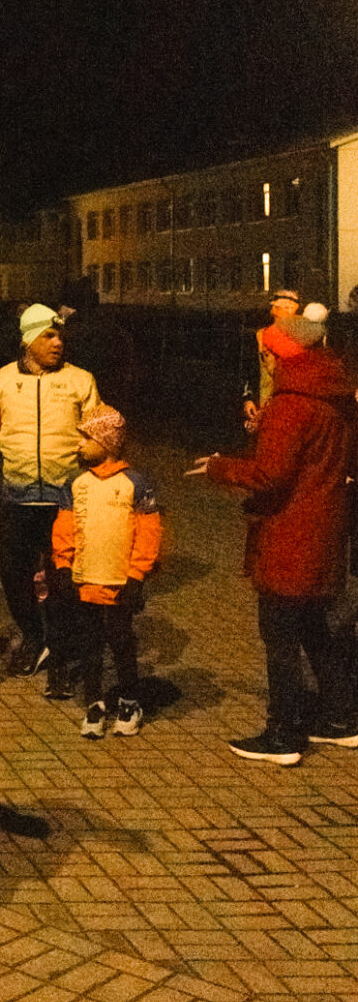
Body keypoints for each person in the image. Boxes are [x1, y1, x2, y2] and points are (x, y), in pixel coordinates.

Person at [192, 310, 358, 764]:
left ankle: (283, 734)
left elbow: (270, 474)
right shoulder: (336, 395)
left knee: (280, 635)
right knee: (314, 628)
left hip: (290, 533)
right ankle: (341, 717)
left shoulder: (291, 403)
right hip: (324, 529)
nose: (263, 361)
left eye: (264, 353)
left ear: (278, 355)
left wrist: (219, 467)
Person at [0, 303, 101, 677]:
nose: (58, 343)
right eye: (49, 336)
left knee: (64, 579)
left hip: (66, 501)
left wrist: (99, 469)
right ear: (28, 340)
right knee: (14, 575)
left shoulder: (81, 380)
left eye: (60, 336)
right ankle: (33, 635)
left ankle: (60, 643)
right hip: (18, 499)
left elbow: (99, 433)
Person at [49, 407, 161, 737]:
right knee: (90, 643)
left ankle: (129, 701)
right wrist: (63, 566)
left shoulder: (135, 483)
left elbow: (149, 532)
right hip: (85, 580)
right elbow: (65, 528)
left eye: (86, 438)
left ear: (107, 442)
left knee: (121, 640)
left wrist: (137, 575)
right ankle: (94, 702)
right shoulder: (75, 483)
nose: (79, 445)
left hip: (118, 582)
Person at [249, 287, 301, 422]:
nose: (274, 312)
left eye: (279, 309)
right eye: (275, 309)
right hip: (264, 409)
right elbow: (250, 371)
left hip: (292, 410)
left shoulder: (302, 341)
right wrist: (248, 399)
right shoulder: (261, 336)